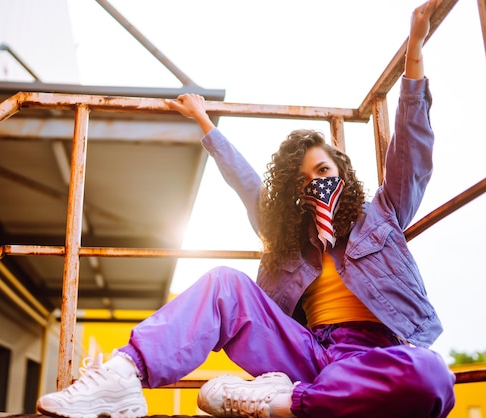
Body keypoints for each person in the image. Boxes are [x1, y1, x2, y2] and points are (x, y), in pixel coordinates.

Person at [36, 1, 456, 417]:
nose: (316, 183)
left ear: (342, 171)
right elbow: (249, 185)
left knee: (433, 376)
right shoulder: (292, 236)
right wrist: (205, 123)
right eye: (304, 180)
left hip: (380, 357)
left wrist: (414, 50)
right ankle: (122, 376)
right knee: (224, 282)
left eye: (323, 169)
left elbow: (411, 150)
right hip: (311, 353)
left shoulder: (382, 213)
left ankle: (282, 402)